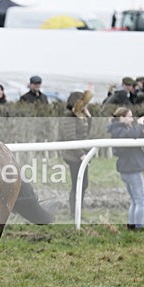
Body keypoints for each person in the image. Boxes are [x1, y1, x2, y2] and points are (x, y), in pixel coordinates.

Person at [107, 107, 144, 231]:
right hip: (131, 169)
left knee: (135, 201)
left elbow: (137, 140)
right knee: (140, 201)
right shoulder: (120, 131)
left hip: (128, 168)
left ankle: (132, 226)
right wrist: (139, 125)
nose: (132, 119)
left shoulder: (121, 129)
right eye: (130, 116)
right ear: (121, 117)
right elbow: (132, 136)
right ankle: (138, 228)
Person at [60, 90, 93, 218]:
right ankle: (74, 212)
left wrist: (88, 118)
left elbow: (86, 132)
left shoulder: (79, 115)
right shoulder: (69, 116)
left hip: (80, 154)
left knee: (83, 183)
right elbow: (70, 137)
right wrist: (81, 154)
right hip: (74, 156)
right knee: (77, 183)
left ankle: (78, 210)